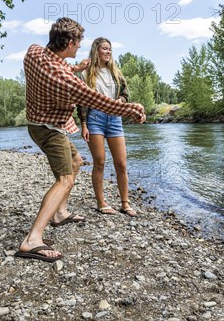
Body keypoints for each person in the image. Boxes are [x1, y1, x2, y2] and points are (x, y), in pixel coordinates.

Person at [16, 18, 146, 263]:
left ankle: (60, 213)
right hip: (49, 129)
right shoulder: (67, 81)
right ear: (68, 43)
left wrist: (74, 69)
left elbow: (60, 70)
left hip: (38, 122)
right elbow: (98, 101)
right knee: (65, 179)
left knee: (76, 162)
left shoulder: (33, 52)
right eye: (77, 44)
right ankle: (32, 239)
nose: (78, 49)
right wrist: (131, 109)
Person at [77, 37, 138, 217]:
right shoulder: (86, 73)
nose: (108, 52)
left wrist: (120, 101)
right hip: (94, 118)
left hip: (115, 119)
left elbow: (125, 94)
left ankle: (125, 203)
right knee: (100, 162)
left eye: (110, 49)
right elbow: (81, 100)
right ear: (96, 50)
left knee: (121, 163)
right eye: (104, 49)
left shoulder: (116, 72)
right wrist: (84, 124)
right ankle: (101, 202)